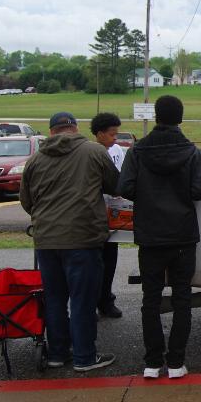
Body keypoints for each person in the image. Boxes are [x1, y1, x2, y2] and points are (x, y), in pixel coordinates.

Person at [119, 95, 201, 380]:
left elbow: (125, 187)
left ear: (156, 116)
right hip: (182, 235)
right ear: (180, 118)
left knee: (151, 299)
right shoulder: (191, 152)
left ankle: (151, 362)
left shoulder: (137, 151)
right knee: (182, 298)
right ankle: (175, 363)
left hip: (150, 236)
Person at [20, 112, 119, 372]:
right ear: (75, 128)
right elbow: (116, 185)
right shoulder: (94, 152)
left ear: (51, 131)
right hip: (82, 237)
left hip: (46, 240)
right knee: (82, 300)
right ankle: (85, 357)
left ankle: (57, 353)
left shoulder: (35, 159)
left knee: (54, 299)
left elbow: (26, 201)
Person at [91, 112, 126, 318]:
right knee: (93, 263)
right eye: (112, 134)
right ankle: (91, 301)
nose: (115, 139)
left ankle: (106, 299)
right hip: (93, 216)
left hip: (112, 214)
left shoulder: (117, 150)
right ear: (99, 134)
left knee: (110, 259)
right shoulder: (89, 153)